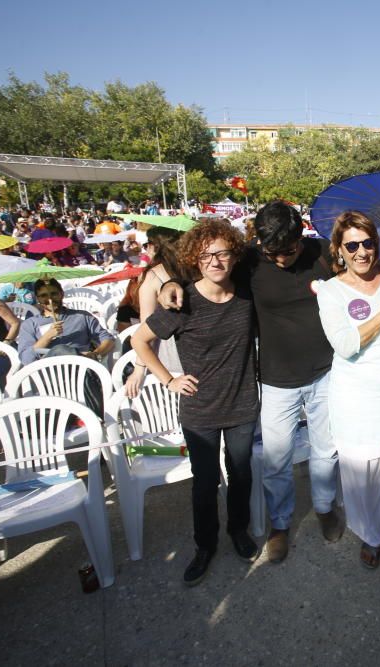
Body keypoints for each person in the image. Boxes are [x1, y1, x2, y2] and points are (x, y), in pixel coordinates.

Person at [160, 202, 341, 563]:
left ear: (301, 235)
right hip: (276, 380)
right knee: (276, 460)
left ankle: (324, 507)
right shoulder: (252, 261)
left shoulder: (322, 253)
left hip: (324, 372)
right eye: (272, 252)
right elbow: (202, 268)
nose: (281, 259)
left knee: (325, 452)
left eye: (288, 250)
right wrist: (169, 283)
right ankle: (280, 523)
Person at [131, 219, 260, 586]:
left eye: (222, 253)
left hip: (242, 404)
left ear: (235, 256)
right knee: (204, 482)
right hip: (199, 409)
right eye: (205, 255)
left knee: (241, 474)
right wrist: (169, 378)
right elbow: (140, 342)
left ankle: (238, 531)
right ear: (195, 259)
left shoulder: (248, 293)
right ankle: (204, 545)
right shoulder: (181, 301)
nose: (215, 262)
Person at [315, 211, 380, 569]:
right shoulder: (329, 290)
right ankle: (371, 534)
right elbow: (344, 345)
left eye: (368, 243)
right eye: (352, 245)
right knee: (361, 470)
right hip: (356, 396)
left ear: (378, 243)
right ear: (339, 250)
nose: (361, 252)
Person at [125, 226, 184, 398]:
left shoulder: (153, 277)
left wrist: (139, 369)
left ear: (154, 247)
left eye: (146, 245)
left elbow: (147, 327)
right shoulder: (192, 270)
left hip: (168, 358)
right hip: (196, 354)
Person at [16, 279, 115, 365]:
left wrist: (95, 354)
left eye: (54, 294)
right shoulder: (30, 324)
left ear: (62, 294)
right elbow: (26, 359)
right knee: (60, 349)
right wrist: (47, 337)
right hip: (49, 373)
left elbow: (108, 339)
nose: (50, 299)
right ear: (38, 299)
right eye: (43, 295)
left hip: (81, 367)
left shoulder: (82, 317)